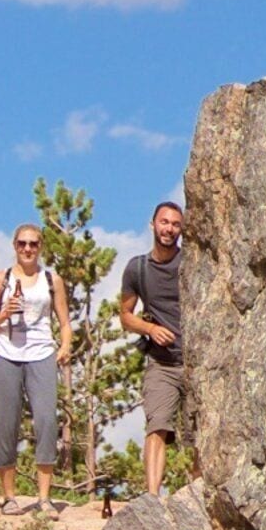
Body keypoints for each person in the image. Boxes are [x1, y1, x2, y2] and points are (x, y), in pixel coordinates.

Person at [0, 224, 72, 513]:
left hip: (41, 353)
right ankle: (9, 497)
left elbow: (64, 321)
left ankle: (44, 498)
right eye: (22, 244)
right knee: (5, 423)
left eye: (33, 244)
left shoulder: (51, 279)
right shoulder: (0, 280)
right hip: (5, 353)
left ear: (41, 246)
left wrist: (65, 346)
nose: (28, 249)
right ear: (14, 245)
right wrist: (4, 313)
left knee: (46, 421)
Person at [118, 202, 189, 496]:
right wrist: (149, 329)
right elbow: (125, 315)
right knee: (157, 426)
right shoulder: (138, 268)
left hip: (201, 364)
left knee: (201, 438)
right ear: (152, 225)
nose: (169, 229)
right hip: (162, 364)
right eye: (164, 222)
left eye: (175, 224)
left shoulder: (191, 263)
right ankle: (152, 498)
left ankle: (199, 502)